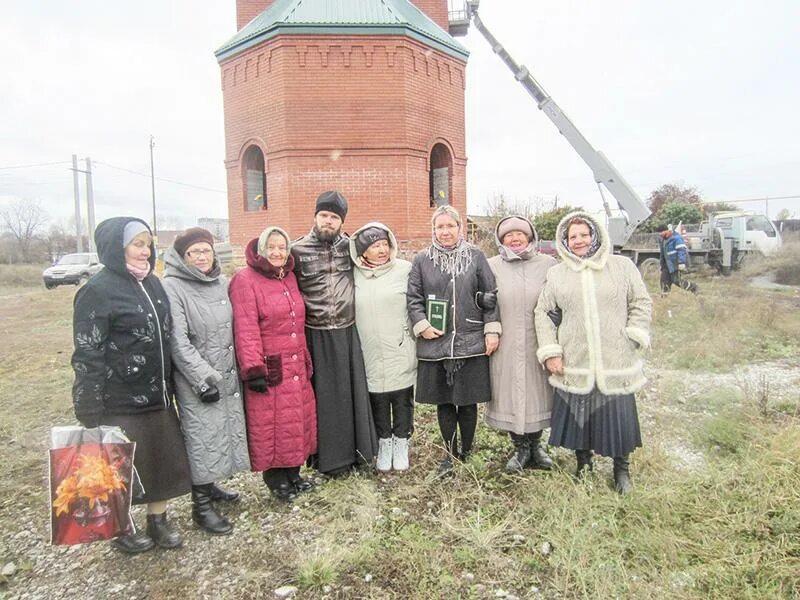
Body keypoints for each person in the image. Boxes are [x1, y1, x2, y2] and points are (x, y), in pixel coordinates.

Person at [71, 217, 191, 553]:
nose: (146, 251)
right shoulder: (97, 291)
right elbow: (87, 352)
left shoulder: (152, 284)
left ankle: (159, 519)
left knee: (160, 460)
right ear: (115, 247)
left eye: (148, 244)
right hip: (119, 398)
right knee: (119, 465)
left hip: (157, 395)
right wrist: (88, 404)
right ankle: (119, 526)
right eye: (137, 244)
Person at [534, 211, 653, 494]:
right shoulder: (558, 273)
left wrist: (634, 333)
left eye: (584, 235)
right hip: (576, 358)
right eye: (572, 236)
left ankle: (621, 470)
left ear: (596, 235)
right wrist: (551, 350)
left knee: (618, 418)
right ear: (565, 241)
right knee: (580, 417)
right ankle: (583, 465)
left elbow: (641, 301)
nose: (579, 241)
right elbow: (544, 313)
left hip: (616, 357)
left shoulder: (621, 266)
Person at [162, 227, 251, 535]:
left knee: (219, 433)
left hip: (227, 372)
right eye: (193, 252)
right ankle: (200, 507)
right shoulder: (173, 287)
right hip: (196, 378)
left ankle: (210, 486)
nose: (201, 257)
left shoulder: (220, 283)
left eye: (206, 251)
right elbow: (178, 341)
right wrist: (203, 378)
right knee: (201, 437)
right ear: (182, 257)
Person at [407, 205, 501, 475]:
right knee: (445, 401)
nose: (445, 231)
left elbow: (490, 294)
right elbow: (413, 296)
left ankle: (467, 449)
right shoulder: (423, 259)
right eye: (440, 226)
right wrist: (421, 324)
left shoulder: (476, 256)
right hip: (435, 341)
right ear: (433, 229)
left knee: (467, 400)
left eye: (450, 226)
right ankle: (449, 451)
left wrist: (491, 329)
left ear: (460, 228)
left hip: (470, 341)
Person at [291, 191, 377, 476]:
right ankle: (329, 462)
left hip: (347, 329)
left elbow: (376, 262)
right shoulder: (297, 250)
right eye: (324, 215)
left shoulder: (350, 248)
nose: (328, 221)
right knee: (324, 400)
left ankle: (360, 454)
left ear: (342, 222)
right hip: (315, 333)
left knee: (352, 396)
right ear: (315, 216)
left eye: (335, 217)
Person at [229, 226, 318, 501]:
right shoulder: (245, 280)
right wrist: (253, 368)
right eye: (272, 247)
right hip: (270, 367)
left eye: (282, 247)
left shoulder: (289, 277)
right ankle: (276, 480)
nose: (277, 252)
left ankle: (294, 474)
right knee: (272, 425)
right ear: (261, 250)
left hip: (295, 364)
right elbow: (245, 327)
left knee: (294, 421)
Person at [486, 216, 556, 472]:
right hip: (505, 341)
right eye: (508, 236)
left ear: (530, 237)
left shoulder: (548, 264)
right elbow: (485, 302)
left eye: (520, 234)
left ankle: (537, 446)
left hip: (538, 340)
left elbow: (557, 300)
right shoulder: (491, 265)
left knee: (538, 391)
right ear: (501, 240)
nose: (515, 239)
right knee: (510, 392)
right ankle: (520, 448)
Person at [349, 222, 417, 472]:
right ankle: (384, 442)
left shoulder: (405, 270)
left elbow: (418, 302)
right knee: (376, 398)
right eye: (374, 246)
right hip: (369, 349)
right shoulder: (354, 274)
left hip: (398, 345)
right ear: (362, 251)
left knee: (401, 398)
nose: (381, 250)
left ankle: (401, 442)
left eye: (384, 244)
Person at [659, 224, 697, 294]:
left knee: (676, 281)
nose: (662, 235)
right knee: (664, 280)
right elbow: (662, 254)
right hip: (666, 265)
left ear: (669, 231)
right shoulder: (663, 240)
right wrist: (662, 265)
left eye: (663, 233)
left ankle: (693, 287)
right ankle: (665, 298)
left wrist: (681, 262)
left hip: (675, 264)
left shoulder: (677, 238)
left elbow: (681, 250)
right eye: (661, 234)